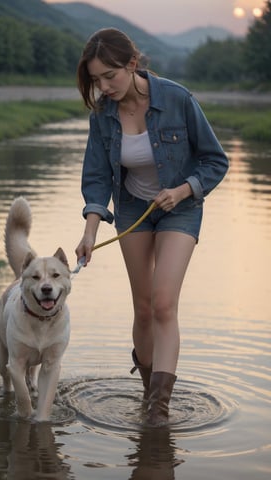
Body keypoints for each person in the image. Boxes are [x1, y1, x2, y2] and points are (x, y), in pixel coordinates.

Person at [75, 28, 228, 427]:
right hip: (131, 210)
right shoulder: (103, 116)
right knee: (143, 310)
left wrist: (181, 191)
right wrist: (91, 232)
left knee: (163, 304)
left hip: (180, 208)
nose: (103, 86)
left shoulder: (178, 99)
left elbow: (215, 161)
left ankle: (159, 412)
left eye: (110, 76)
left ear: (132, 63)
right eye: (95, 80)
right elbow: (95, 177)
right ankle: (147, 393)